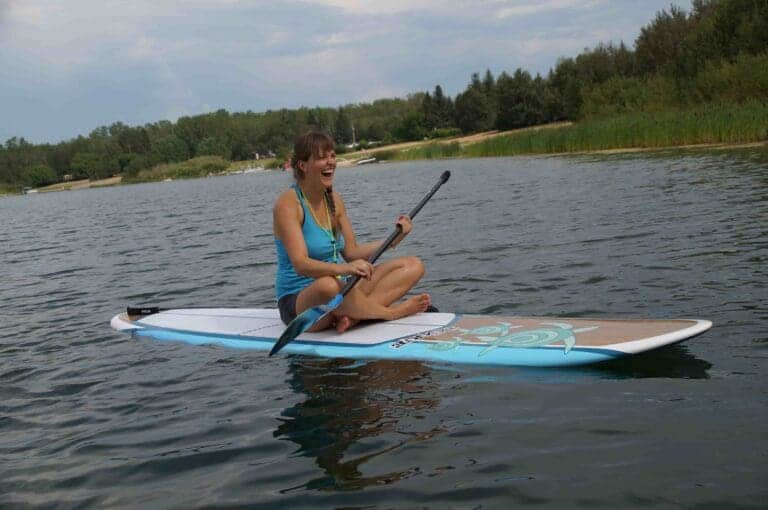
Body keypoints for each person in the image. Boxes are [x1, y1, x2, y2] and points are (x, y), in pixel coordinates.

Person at [274, 130, 430, 333]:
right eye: (322, 158)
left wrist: (393, 239)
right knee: (327, 286)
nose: (330, 162)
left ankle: (353, 317)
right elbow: (301, 264)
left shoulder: (335, 200)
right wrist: (345, 269)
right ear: (303, 166)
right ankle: (390, 313)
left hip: (342, 288)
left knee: (413, 265)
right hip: (300, 301)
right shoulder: (288, 204)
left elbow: (352, 253)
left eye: (332, 156)